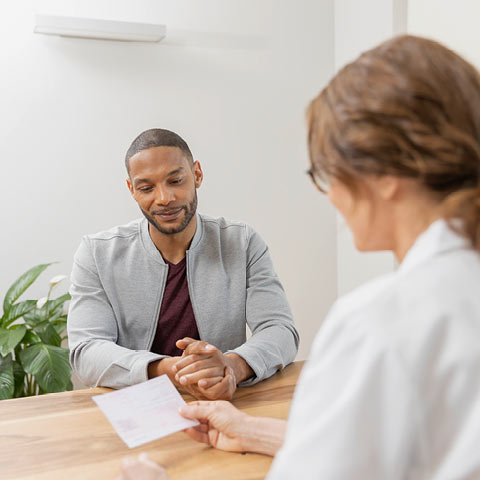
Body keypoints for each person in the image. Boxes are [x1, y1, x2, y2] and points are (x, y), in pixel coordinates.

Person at [117, 35, 480, 479]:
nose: (328, 195)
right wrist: (254, 430)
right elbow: (384, 451)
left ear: (386, 175)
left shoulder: (380, 324)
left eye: (326, 170)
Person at [67, 128, 299, 400]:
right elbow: (86, 351)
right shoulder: (97, 253)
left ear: (197, 174)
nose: (164, 198)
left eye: (175, 180)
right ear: (131, 190)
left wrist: (232, 366)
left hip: (222, 402)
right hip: (135, 406)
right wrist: (172, 370)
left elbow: (280, 330)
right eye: (146, 188)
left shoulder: (241, 241)